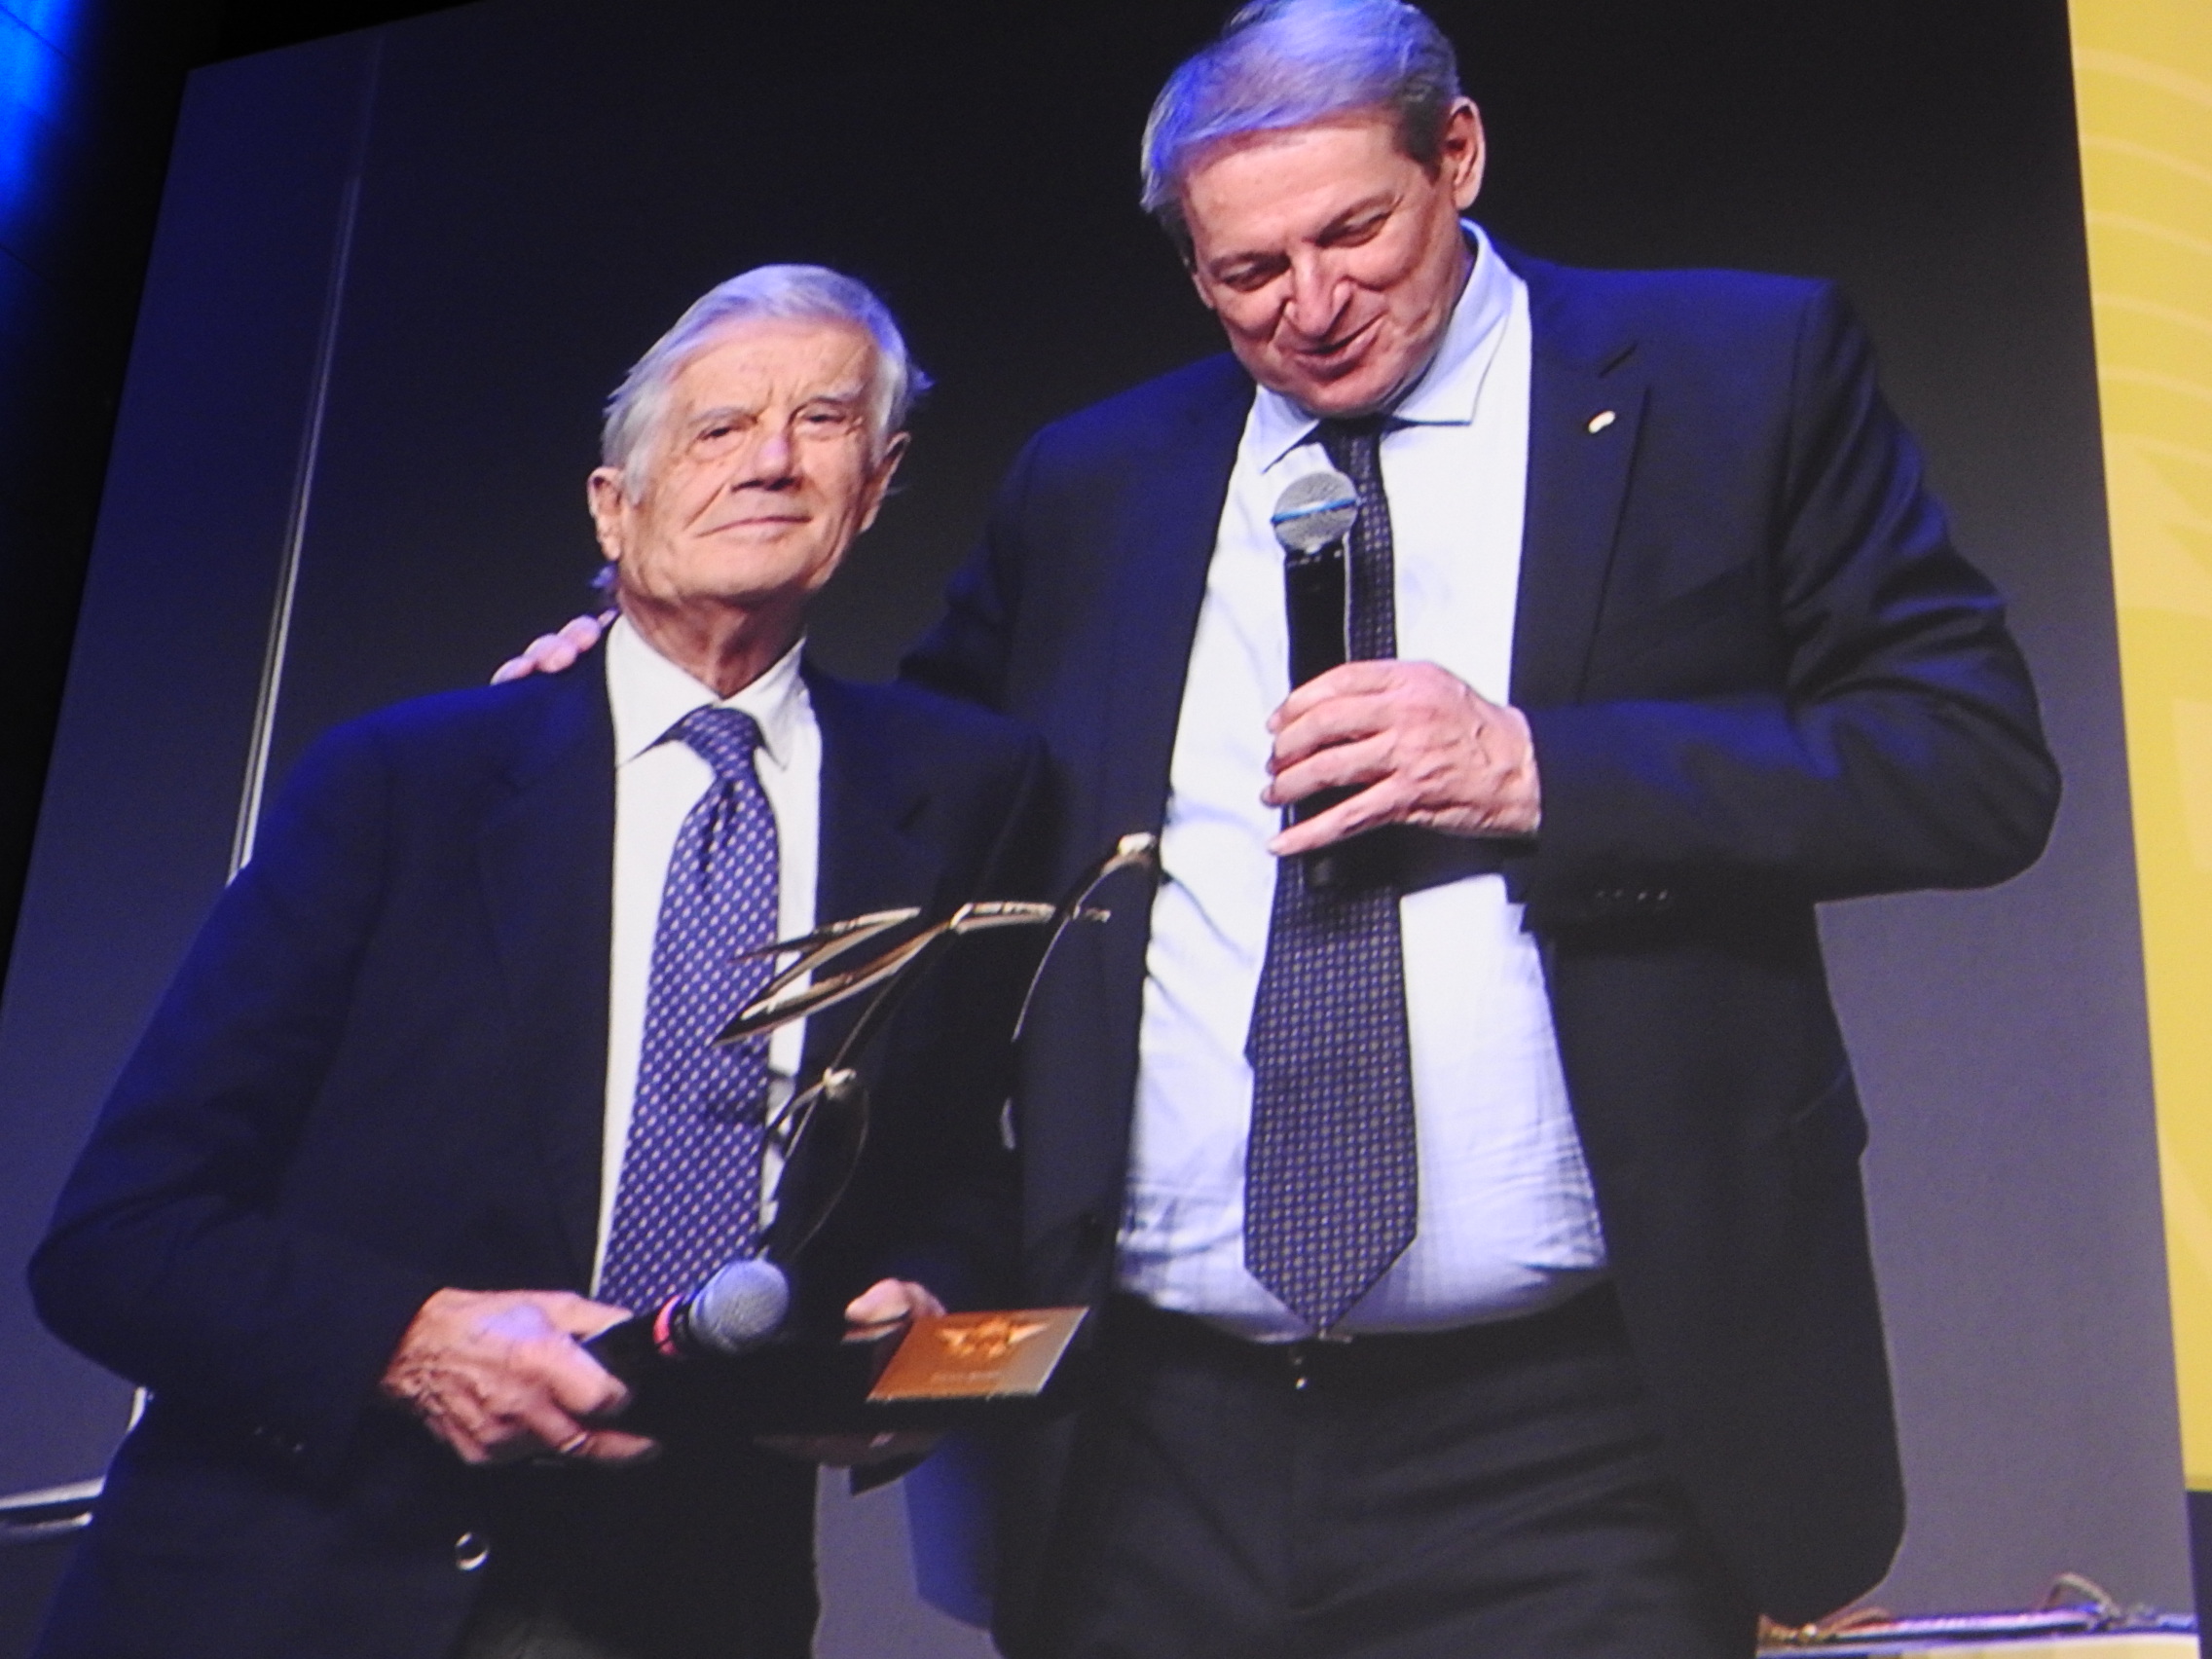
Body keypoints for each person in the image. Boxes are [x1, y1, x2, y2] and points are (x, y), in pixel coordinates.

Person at [503, 3, 2062, 1654]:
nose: (1313, 306)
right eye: (1248, 271)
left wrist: (1539, 768)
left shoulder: (1733, 375)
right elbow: (911, 803)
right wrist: (660, 687)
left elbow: (1968, 762)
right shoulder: (1096, 482)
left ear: (1456, 155)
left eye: (1355, 234)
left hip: (1581, 1436)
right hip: (1148, 1441)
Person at [29, 265, 1045, 1659]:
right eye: (718, 428)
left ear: (876, 485)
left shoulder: (962, 795)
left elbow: (962, 1167)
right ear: (613, 509)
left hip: (691, 1600)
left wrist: (920, 1309)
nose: (770, 460)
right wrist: (407, 1343)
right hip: (299, 1585)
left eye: (821, 421)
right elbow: (117, 1239)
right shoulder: (402, 787)